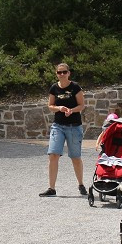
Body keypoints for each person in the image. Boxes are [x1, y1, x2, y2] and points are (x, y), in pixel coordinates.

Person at [40, 62, 87, 197]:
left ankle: (81, 184)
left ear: (68, 73)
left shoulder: (75, 87)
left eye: (64, 72)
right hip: (58, 126)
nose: (61, 74)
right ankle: (52, 188)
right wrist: (59, 108)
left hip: (74, 126)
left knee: (75, 157)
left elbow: (81, 105)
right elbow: (50, 106)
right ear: (56, 74)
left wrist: (71, 111)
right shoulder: (54, 88)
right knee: (53, 155)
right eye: (59, 72)